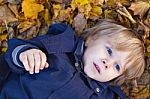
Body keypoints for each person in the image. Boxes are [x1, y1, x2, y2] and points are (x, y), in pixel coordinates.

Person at [0, 20, 145, 99]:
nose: (108, 63)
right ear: (91, 39)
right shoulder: (61, 46)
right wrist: (25, 54)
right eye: (109, 51)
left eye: (117, 67)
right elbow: (18, 50)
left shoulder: (102, 95)